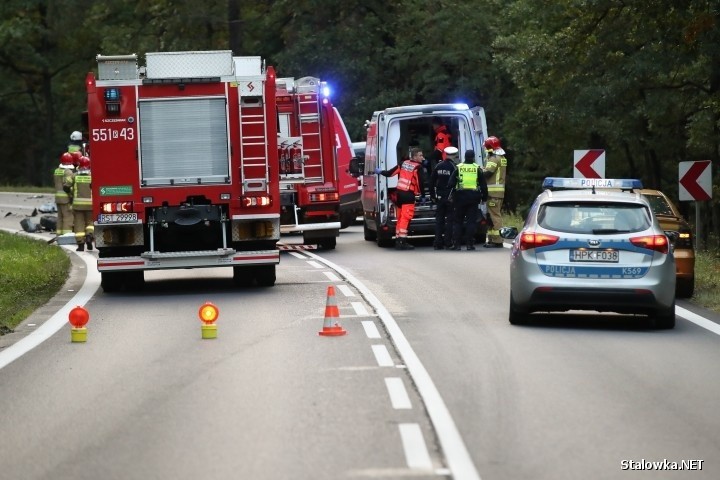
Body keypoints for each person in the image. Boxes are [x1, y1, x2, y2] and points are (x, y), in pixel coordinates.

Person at [375, 147, 426, 250]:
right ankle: (402, 241)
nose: (423, 158)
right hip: (408, 195)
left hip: (399, 195)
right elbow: (420, 183)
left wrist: (380, 172)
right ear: (415, 156)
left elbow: (390, 173)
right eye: (420, 155)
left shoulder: (403, 163)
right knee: (405, 218)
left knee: (400, 217)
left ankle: (398, 239)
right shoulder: (418, 167)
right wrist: (423, 195)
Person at [447, 149, 488, 250]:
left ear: (464, 157)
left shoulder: (459, 168)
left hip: (460, 197)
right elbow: (483, 185)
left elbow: (450, 184)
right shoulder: (477, 168)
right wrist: (484, 197)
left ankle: (456, 245)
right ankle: (470, 244)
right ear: (473, 157)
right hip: (473, 198)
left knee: (458, 221)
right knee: (471, 222)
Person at [430, 146, 458, 250]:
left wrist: (432, 196)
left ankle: (437, 242)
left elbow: (432, 181)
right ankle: (448, 242)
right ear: (454, 156)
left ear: (445, 154)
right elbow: (457, 182)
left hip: (440, 197)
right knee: (450, 220)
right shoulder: (454, 167)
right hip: (450, 197)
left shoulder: (438, 166)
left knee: (439, 220)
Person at [482, 136, 508, 248]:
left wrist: (478, 170)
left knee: (495, 216)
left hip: (493, 193)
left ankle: (498, 240)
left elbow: (487, 173)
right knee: (492, 216)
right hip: (498, 193)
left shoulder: (494, 159)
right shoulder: (502, 157)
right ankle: (493, 239)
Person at [72, 156, 94, 251]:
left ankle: (80, 245)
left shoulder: (74, 176)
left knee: (78, 224)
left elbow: (67, 187)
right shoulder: (92, 176)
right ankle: (89, 235)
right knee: (90, 222)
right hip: (90, 204)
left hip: (78, 205)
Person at [54, 152, 75, 235]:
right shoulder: (68, 172)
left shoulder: (56, 171)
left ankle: (58, 234)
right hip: (65, 198)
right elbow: (67, 186)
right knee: (68, 217)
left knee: (60, 217)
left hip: (58, 197)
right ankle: (66, 236)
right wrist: (72, 195)